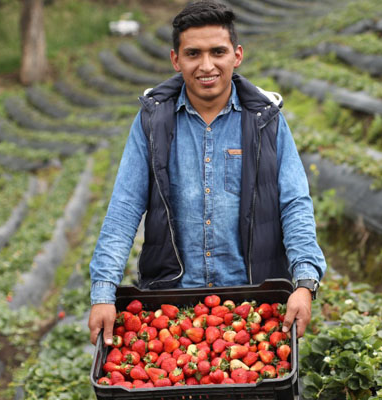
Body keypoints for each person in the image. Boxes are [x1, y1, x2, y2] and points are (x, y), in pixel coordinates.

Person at [87, 0, 326, 347]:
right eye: (193, 54)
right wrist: (103, 293)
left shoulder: (266, 121)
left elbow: (294, 204)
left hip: (255, 305)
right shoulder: (153, 123)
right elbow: (124, 209)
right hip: (172, 311)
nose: (206, 65)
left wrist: (304, 283)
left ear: (237, 55)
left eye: (218, 52)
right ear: (176, 59)